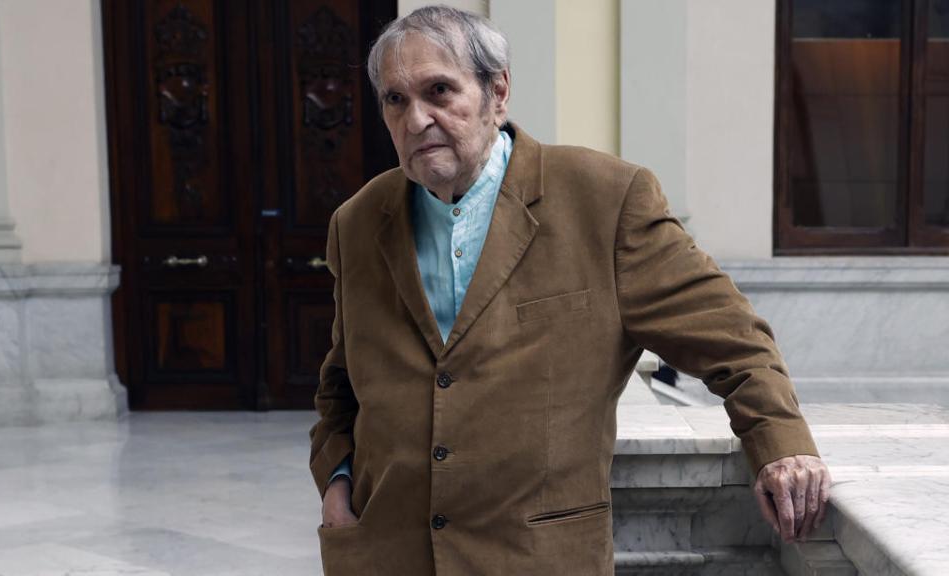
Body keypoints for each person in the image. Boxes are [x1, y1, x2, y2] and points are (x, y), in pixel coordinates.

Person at [308, 6, 831, 575]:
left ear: (497, 91)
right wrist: (337, 484)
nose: (416, 120)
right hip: (386, 557)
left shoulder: (605, 201)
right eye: (395, 100)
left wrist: (780, 444)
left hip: (537, 559)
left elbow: (734, 340)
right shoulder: (356, 223)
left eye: (439, 91)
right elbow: (342, 384)